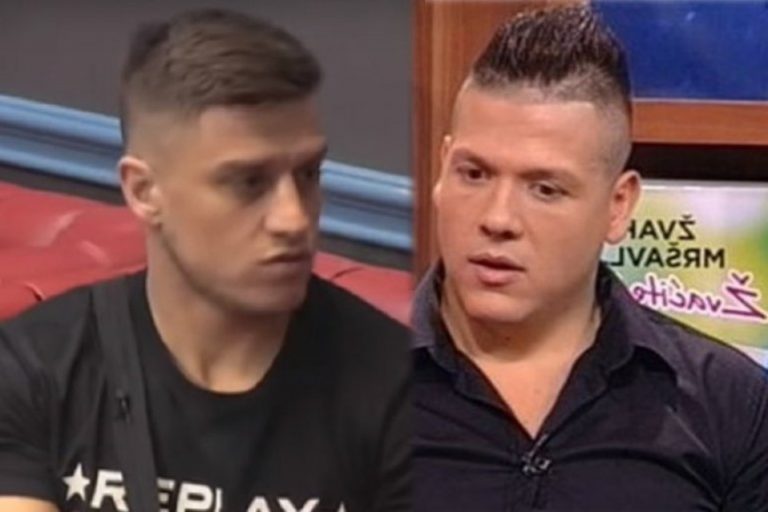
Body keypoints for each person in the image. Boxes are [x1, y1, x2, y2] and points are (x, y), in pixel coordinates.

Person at [0, 9, 410, 512]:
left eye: (308, 174)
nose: (294, 218)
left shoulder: (402, 390)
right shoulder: (35, 368)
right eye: (249, 182)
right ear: (144, 191)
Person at [412, 5, 768, 511]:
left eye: (545, 189)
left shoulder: (731, 405)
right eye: (474, 174)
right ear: (442, 169)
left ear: (618, 206)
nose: (498, 218)